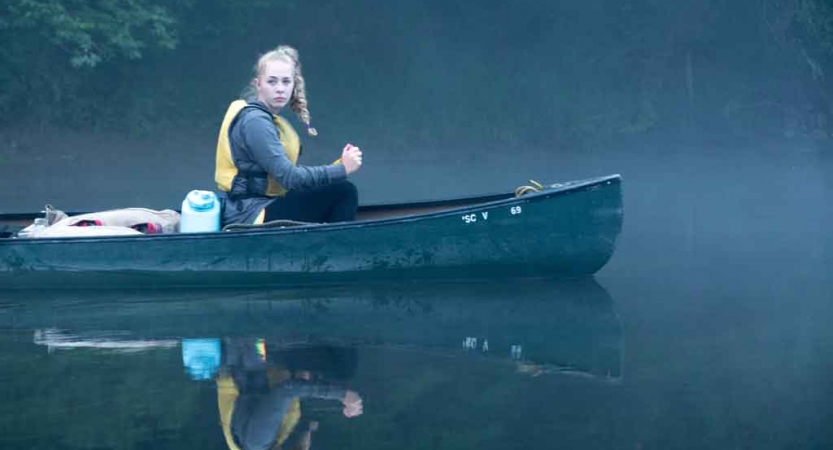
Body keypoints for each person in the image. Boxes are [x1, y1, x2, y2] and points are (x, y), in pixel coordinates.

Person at [215, 45, 363, 226]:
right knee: (343, 191)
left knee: (332, 189)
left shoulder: (265, 118)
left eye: (286, 82)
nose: (280, 89)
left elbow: (287, 176)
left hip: (262, 205)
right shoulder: (256, 122)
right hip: (250, 215)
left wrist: (338, 165)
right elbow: (290, 178)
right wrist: (341, 170)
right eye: (272, 81)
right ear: (258, 84)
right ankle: (339, 250)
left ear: (294, 85)